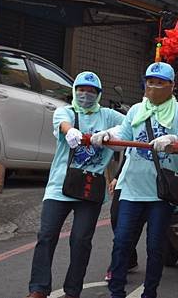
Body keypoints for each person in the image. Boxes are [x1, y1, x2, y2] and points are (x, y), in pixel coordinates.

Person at [91, 62, 178, 298]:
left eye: (160, 83)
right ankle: (116, 292)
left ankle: (150, 293)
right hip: (131, 188)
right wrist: (108, 135)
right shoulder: (137, 110)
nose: (154, 87)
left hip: (160, 192)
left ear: (171, 86)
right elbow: (123, 134)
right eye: (150, 82)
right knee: (122, 244)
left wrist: (172, 140)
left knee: (155, 247)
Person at [25, 72, 125, 298]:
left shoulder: (108, 116)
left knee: (81, 240)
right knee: (46, 235)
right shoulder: (65, 111)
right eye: (81, 90)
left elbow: (130, 124)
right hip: (60, 185)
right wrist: (70, 130)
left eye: (91, 91)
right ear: (74, 91)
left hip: (90, 188)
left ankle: (73, 291)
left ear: (98, 94)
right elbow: (62, 124)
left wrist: (112, 133)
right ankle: (38, 288)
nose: (85, 95)